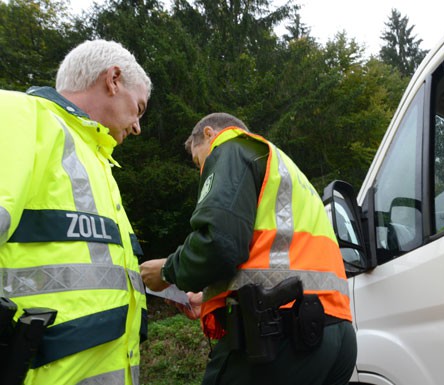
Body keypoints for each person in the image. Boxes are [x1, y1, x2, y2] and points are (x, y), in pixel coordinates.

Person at [140, 113, 357, 385]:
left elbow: (219, 244)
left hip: (280, 333)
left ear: (209, 134)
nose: (202, 172)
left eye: (199, 161)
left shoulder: (230, 148)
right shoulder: (285, 169)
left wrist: (166, 271)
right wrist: (212, 296)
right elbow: (269, 257)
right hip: (336, 336)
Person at [0, 39, 151, 384]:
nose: (138, 126)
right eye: (139, 109)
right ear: (113, 80)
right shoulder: (20, 116)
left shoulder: (97, 162)